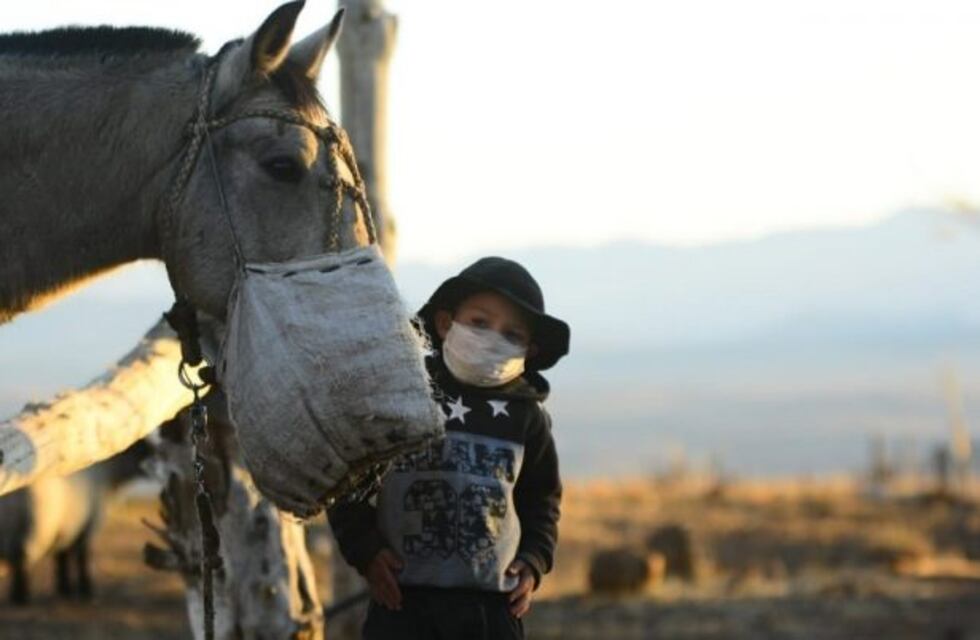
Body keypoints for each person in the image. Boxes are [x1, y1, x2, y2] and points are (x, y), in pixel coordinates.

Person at [328, 256, 570, 640]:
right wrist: (366, 550)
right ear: (445, 324)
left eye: (513, 335)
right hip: (401, 603)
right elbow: (347, 479)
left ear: (529, 353)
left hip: (491, 609)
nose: (493, 338)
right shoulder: (400, 396)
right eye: (479, 322)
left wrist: (533, 559)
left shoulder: (527, 418)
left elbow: (542, 498)